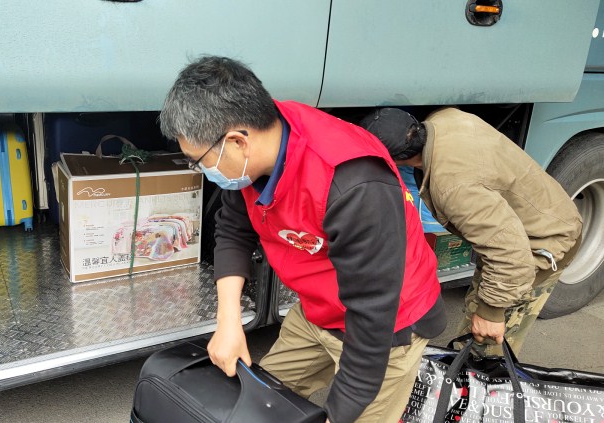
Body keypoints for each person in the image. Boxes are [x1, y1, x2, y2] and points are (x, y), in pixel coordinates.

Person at [159, 56, 446, 423]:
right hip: (317, 307)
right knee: (259, 402)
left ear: (237, 142)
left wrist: (338, 414)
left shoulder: (354, 185)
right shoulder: (261, 139)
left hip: (387, 325)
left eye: (198, 160)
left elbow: (372, 315)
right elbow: (232, 228)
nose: (201, 169)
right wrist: (228, 320)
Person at [360, 107, 582, 356]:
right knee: (475, 317)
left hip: (540, 244)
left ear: (395, 159)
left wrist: (491, 313)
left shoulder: (455, 189)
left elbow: (510, 256)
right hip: (530, 222)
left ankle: (480, 372)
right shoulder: (445, 119)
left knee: (483, 352)